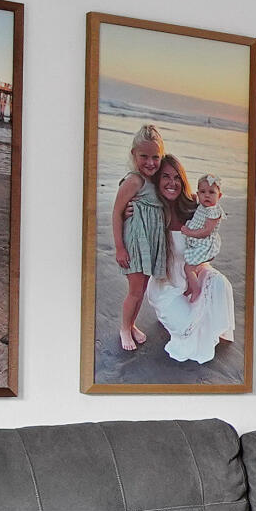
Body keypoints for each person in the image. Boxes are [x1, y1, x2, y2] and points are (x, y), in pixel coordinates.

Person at [145, 154, 236, 367]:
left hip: (193, 270)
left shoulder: (194, 206)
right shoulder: (152, 212)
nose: (172, 182)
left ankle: (213, 325)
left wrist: (204, 259)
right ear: (158, 180)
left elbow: (209, 234)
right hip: (167, 283)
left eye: (177, 177)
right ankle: (175, 314)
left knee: (220, 283)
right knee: (187, 325)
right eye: (166, 176)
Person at [108, 123, 169, 354]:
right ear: (134, 154)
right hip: (135, 244)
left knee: (141, 289)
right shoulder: (134, 181)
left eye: (156, 157)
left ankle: (132, 324)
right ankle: (124, 328)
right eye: (144, 156)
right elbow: (116, 212)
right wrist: (119, 248)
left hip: (148, 244)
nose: (150, 162)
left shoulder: (154, 180)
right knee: (134, 291)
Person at [174, 174, 225, 302]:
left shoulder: (213, 211)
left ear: (219, 196)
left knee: (188, 268)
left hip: (204, 244)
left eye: (211, 192)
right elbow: (195, 199)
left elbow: (206, 231)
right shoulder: (203, 205)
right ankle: (192, 285)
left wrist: (189, 232)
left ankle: (195, 290)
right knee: (192, 266)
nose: (207, 195)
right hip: (197, 242)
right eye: (203, 192)